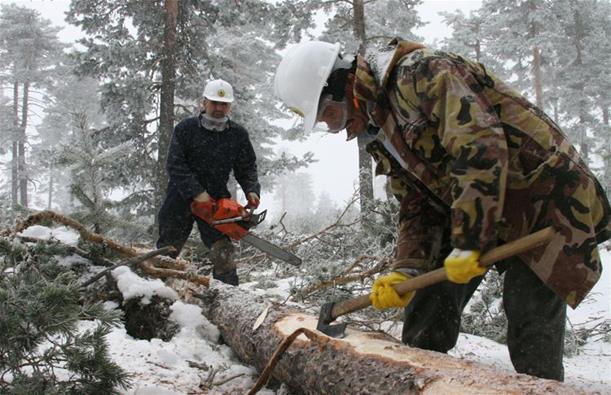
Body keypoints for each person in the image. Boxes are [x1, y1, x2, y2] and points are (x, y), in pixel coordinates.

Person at [273, 39, 611, 381]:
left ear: (345, 84)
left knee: (529, 320)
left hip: (546, 198)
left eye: (332, 115)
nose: (340, 128)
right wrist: (406, 268)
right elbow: (417, 201)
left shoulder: (421, 73)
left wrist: (469, 242)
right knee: (426, 307)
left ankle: (540, 389)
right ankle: (421, 383)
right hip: (479, 203)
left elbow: (480, 148)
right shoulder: (381, 128)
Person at [157, 79, 261, 286]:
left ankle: (228, 294)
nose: (219, 108)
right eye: (214, 103)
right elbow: (175, 165)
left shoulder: (237, 134)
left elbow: (247, 166)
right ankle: (156, 292)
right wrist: (196, 192)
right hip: (179, 198)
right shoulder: (186, 129)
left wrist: (251, 189)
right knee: (167, 251)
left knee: (223, 251)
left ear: (230, 106)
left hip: (217, 200)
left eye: (224, 104)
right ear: (203, 102)